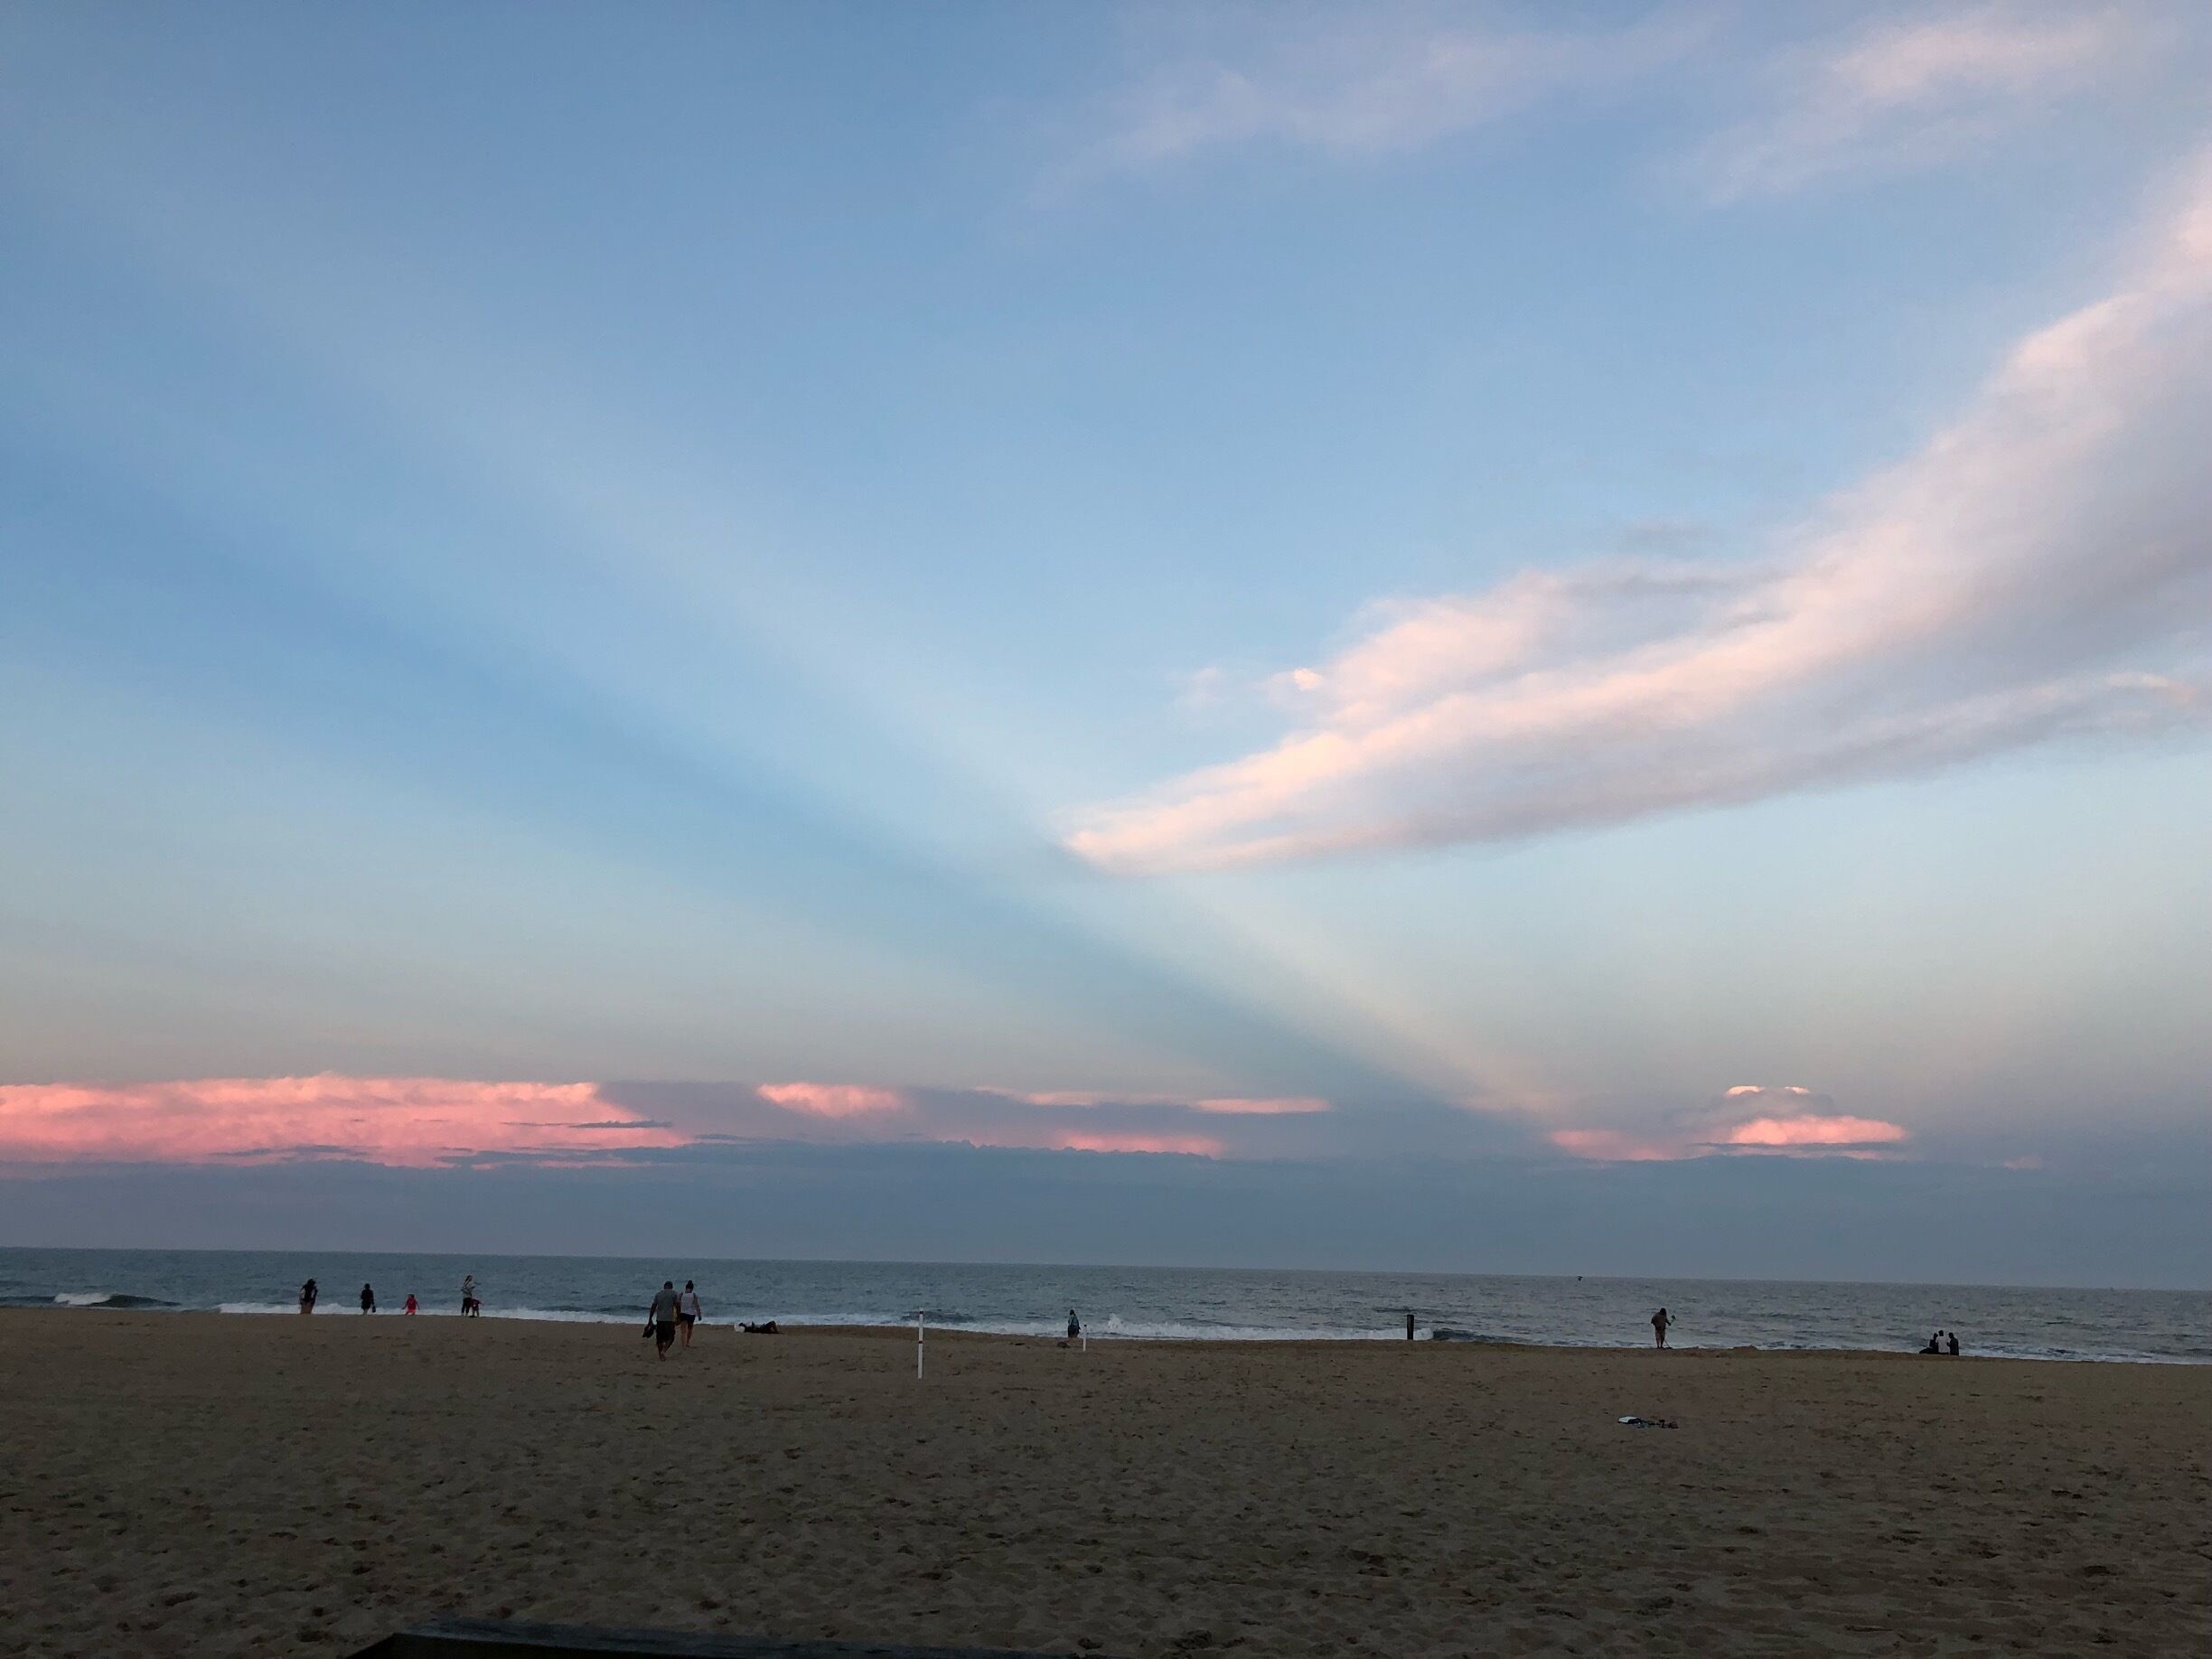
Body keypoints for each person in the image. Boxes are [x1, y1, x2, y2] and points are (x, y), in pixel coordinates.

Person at [645, 1280, 680, 1359]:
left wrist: (650, 1318)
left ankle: (660, 1355)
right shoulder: (675, 1294)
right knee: (671, 1337)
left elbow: (653, 1306)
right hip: (670, 1319)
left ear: (664, 1286)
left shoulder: (658, 1294)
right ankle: (664, 1351)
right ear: (672, 1287)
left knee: (659, 1338)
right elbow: (678, 1305)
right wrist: (678, 1316)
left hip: (660, 1318)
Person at [678, 1280, 702, 1348]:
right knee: (690, 1329)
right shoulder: (693, 1295)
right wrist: (699, 1314)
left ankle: (683, 1344)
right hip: (691, 1314)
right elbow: (697, 1305)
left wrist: (677, 1313)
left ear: (686, 1288)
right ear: (692, 1288)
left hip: (683, 1313)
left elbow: (678, 1305)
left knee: (683, 1330)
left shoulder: (681, 1294)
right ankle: (687, 1342)